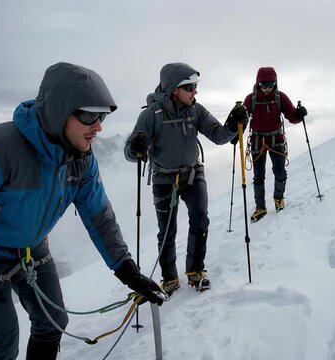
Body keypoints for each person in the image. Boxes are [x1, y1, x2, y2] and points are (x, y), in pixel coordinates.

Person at [0, 62, 165, 360]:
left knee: (53, 322)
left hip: (32, 250)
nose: (98, 126)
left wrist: (127, 270)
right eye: (89, 116)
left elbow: (99, 216)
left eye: (102, 117)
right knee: (1, 345)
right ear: (60, 111)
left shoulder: (81, 159)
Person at [124, 62, 248, 296]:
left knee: (200, 218)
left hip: (192, 173)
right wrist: (135, 148)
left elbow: (219, 136)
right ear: (174, 89)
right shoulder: (150, 116)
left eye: (195, 86)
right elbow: (130, 154)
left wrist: (233, 125)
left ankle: (195, 270)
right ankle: (169, 278)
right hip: (163, 178)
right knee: (167, 230)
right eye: (190, 87)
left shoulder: (196, 110)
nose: (195, 92)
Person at [242, 67, 307, 223]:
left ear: (275, 83)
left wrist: (299, 115)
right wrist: (234, 130)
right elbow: (242, 119)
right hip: (258, 140)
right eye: (263, 85)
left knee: (280, 172)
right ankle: (261, 207)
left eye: (270, 84)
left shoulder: (280, 97)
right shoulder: (251, 99)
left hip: (276, 139)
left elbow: (291, 115)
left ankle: (279, 199)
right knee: (258, 176)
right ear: (258, 84)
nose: (266, 88)